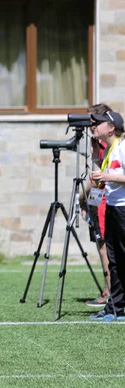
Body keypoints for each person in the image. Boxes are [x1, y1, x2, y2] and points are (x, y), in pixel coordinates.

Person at [88, 110, 125, 321]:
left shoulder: (122, 146)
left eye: (98, 123)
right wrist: (96, 159)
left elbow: (112, 176)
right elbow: (103, 180)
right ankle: (115, 308)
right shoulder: (109, 149)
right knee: (115, 260)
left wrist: (107, 175)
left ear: (111, 128)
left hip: (123, 208)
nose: (94, 127)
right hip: (112, 207)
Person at [80, 103, 113, 307]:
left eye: (93, 122)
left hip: (105, 201)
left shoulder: (109, 145)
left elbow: (98, 178)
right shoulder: (98, 144)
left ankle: (110, 292)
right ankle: (109, 290)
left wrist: (81, 196)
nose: (90, 126)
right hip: (98, 200)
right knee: (102, 247)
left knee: (104, 248)